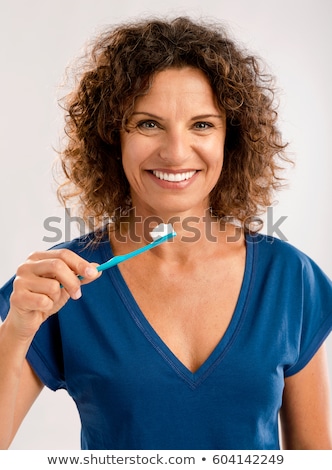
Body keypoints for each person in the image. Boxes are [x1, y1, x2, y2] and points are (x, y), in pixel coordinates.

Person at [0, 16, 331, 451]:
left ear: (231, 140)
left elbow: (315, 457)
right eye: (148, 124)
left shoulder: (288, 277)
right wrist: (17, 329)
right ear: (111, 137)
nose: (175, 152)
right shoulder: (62, 282)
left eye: (202, 124)